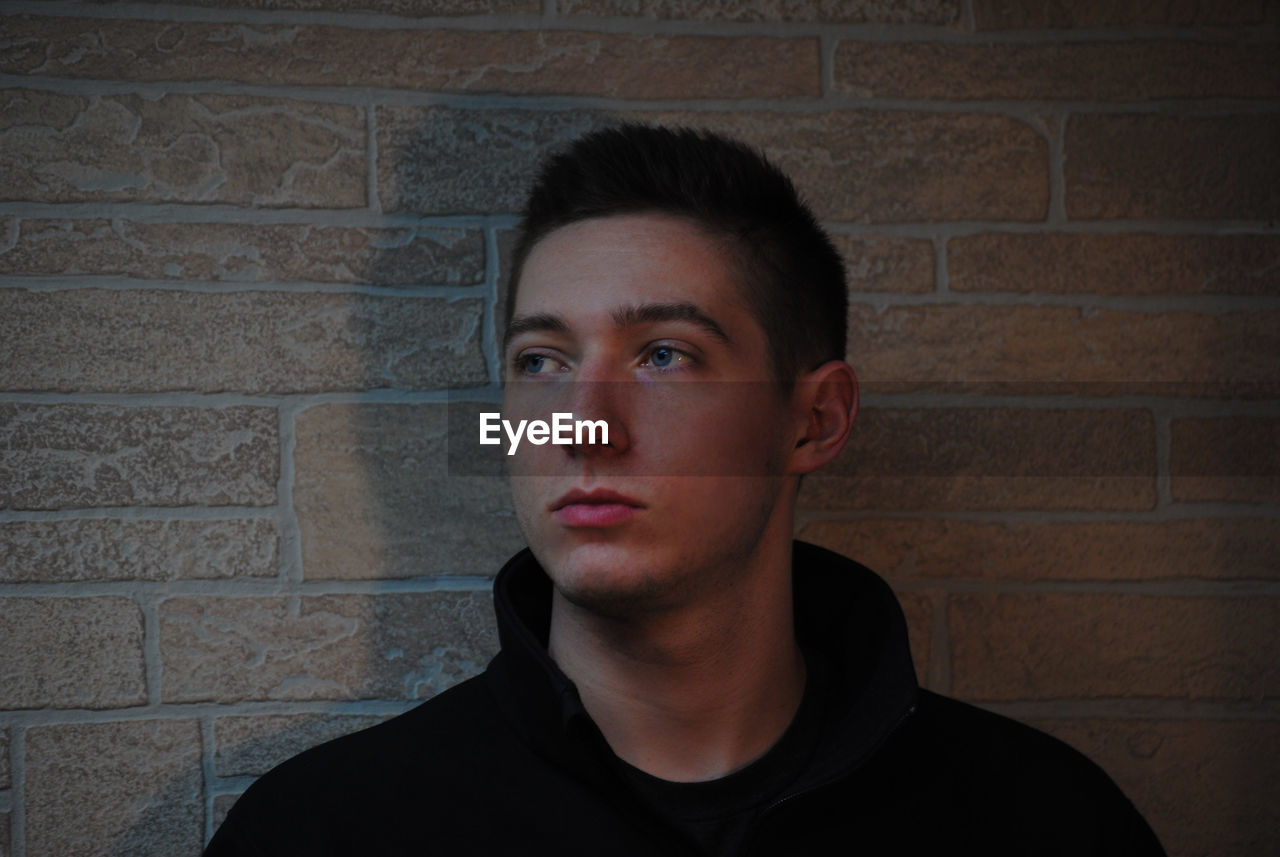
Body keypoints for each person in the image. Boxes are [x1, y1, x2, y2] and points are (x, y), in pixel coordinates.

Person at [205, 125, 1165, 856]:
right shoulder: (321, 831)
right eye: (541, 360)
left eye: (664, 356)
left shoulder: (1045, 822)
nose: (587, 426)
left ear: (815, 420)